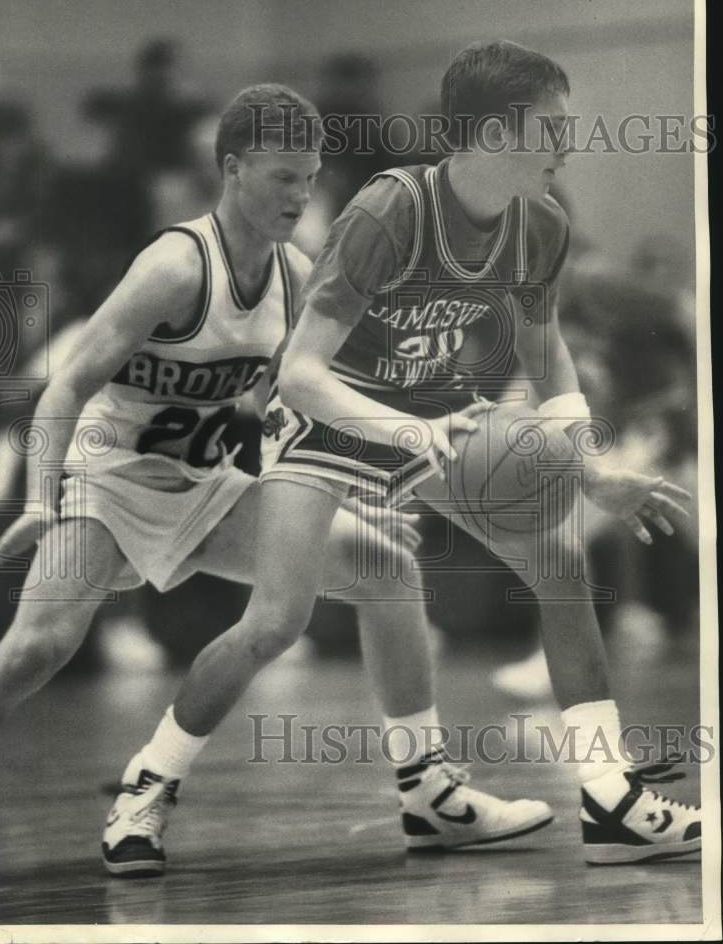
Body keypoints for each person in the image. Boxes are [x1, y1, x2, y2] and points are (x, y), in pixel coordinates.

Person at [0, 85, 554, 879]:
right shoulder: (175, 264)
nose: (300, 194)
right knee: (31, 653)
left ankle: (429, 793)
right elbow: (65, 386)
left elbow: (311, 399)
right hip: (113, 483)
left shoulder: (296, 275)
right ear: (232, 169)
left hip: (210, 487)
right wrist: (40, 500)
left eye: (311, 177)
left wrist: (356, 485)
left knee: (388, 570)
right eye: (283, 176)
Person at [252, 43, 700, 866]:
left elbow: (547, 354)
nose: (571, 144)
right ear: (495, 132)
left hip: (431, 409)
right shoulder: (391, 210)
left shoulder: (544, 222)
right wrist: (406, 435)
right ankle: (152, 782)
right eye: (553, 128)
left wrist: (592, 468)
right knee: (275, 623)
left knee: (562, 566)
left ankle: (609, 800)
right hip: (325, 418)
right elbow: (301, 372)